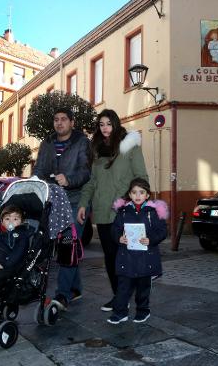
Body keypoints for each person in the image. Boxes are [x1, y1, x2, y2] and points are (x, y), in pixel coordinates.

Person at [77, 109, 148, 312]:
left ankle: (136, 297)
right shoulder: (97, 149)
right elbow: (91, 181)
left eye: (108, 123)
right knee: (110, 255)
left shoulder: (130, 146)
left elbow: (141, 176)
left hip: (125, 210)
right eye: (101, 124)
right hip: (102, 210)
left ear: (115, 124)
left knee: (129, 254)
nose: (105, 128)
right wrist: (83, 203)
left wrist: (135, 202)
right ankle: (119, 296)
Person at [33, 107, 90, 311]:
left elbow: (86, 171)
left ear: (72, 122)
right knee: (66, 246)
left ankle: (62, 294)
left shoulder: (81, 142)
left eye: (64, 119)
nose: (59, 123)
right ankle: (75, 288)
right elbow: (39, 168)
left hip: (75, 201)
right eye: (56, 119)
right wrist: (38, 181)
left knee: (68, 245)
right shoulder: (47, 143)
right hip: (54, 201)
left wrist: (69, 180)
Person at [107, 178, 167, 324]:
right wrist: (119, 238)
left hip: (145, 258)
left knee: (143, 287)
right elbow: (114, 229)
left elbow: (162, 231)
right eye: (134, 192)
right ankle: (120, 313)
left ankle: (143, 311)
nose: (138, 195)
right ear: (130, 194)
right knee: (123, 287)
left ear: (147, 195)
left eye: (141, 192)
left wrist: (151, 239)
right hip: (126, 257)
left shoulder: (152, 212)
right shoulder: (123, 211)